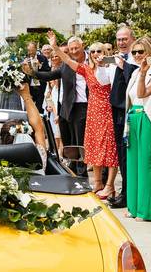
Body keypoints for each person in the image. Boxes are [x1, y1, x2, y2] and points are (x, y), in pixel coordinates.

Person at [46, 35, 117, 195]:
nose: (96, 53)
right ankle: (97, 183)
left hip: (107, 111)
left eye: (99, 50)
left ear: (105, 52)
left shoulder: (111, 68)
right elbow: (67, 59)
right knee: (93, 149)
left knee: (109, 149)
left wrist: (109, 62)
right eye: (93, 51)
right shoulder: (86, 69)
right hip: (92, 112)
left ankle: (110, 185)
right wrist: (55, 47)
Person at [28, 34, 90, 155]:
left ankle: (81, 172)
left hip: (84, 107)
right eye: (71, 49)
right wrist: (32, 73)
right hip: (67, 108)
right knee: (68, 144)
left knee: (80, 143)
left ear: (82, 46)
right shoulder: (67, 65)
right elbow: (50, 75)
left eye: (76, 48)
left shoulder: (91, 61)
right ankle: (72, 170)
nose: (74, 51)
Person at [123, 37, 151, 221]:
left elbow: (143, 93)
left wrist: (147, 70)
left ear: (149, 51)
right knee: (133, 163)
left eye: (141, 51)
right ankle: (133, 206)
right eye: (134, 52)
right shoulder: (135, 72)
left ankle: (145, 210)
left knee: (146, 163)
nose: (138, 55)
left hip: (147, 117)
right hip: (132, 117)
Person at [108, 26, 137, 207]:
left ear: (132, 39)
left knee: (128, 155)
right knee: (120, 153)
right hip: (116, 111)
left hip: (129, 111)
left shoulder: (134, 59)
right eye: (119, 39)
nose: (121, 43)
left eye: (125, 39)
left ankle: (128, 194)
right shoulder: (115, 60)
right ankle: (123, 192)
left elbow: (134, 80)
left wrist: (124, 66)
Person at [25, 41, 50, 112]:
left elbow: (48, 71)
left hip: (40, 86)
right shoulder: (25, 59)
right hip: (29, 86)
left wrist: (40, 65)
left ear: (36, 49)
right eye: (29, 50)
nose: (31, 52)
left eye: (32, 50)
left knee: (39, 107)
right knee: (29, 107)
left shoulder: (43, 58)